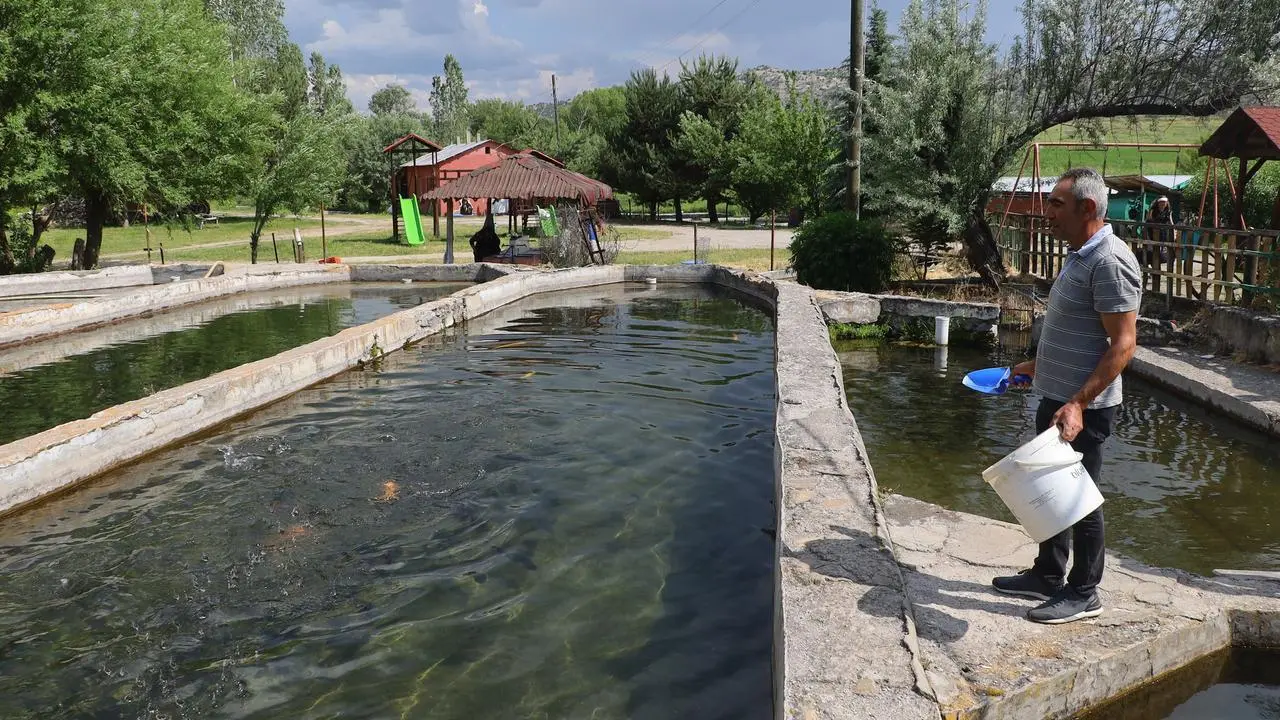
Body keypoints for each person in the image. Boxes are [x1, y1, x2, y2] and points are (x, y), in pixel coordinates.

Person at [994, 167, 1142, 625]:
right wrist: (1034, 367)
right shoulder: (1081, 255)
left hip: (1083, 408)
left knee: (1080, 499)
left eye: (1057, 204)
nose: (1047, 213)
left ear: (1088, 208)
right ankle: (1048, 574)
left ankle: (1084, 592)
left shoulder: (1110, 261)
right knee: (1051, 491)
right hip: (1057, 398)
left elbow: (1123, 345)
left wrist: (1078, 403)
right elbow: (1078, 332)